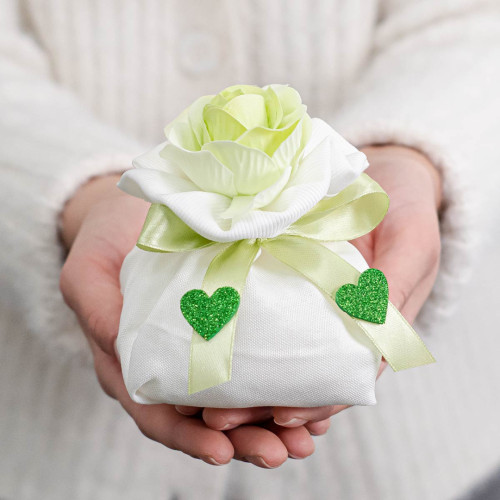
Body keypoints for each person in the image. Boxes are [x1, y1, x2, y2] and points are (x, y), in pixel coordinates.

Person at [1, 0, 499, 498]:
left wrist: (408, 154)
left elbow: (474, 18)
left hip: (426, 455)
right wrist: (82, 194)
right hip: (50, 457)